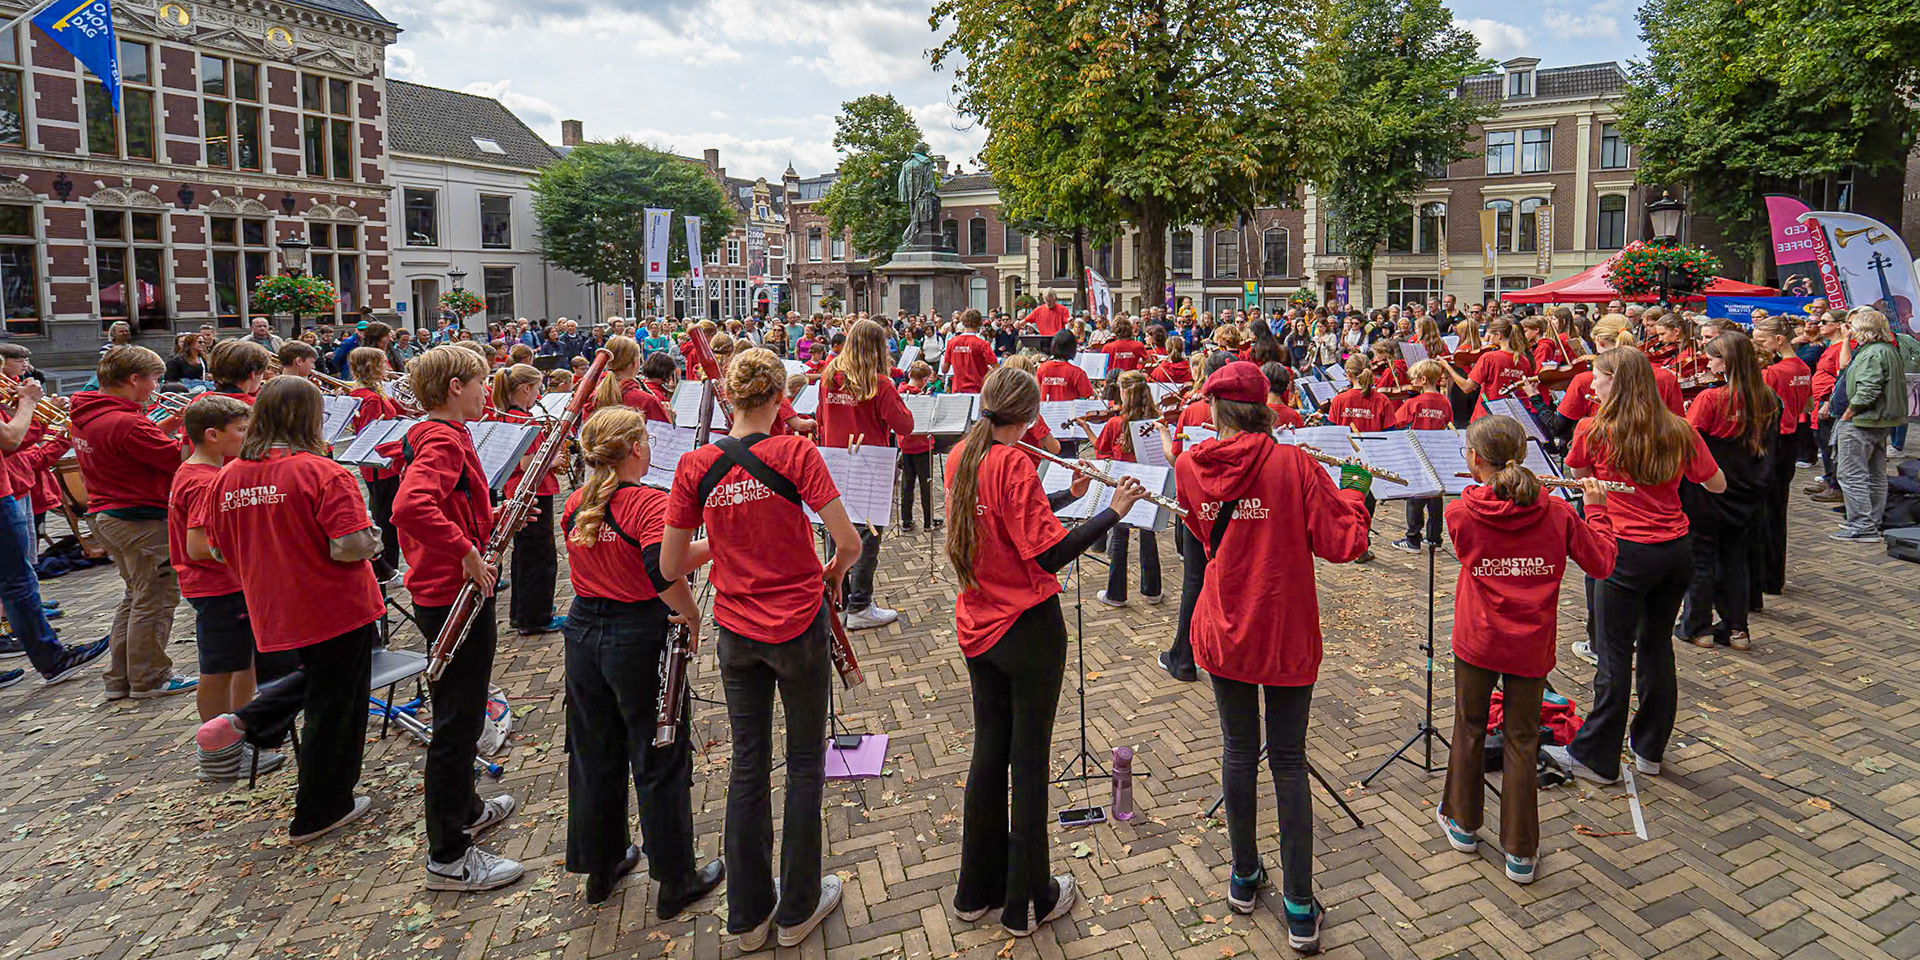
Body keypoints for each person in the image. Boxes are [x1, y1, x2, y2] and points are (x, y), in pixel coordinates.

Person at [660, 348, 860, 951]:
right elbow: (849, 542)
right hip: (798, 625)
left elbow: (670, 564)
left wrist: (726, 544)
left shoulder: (695, 464)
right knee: (804, 764)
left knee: (748, 765)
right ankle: (798, 909)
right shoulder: (796, 452)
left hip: (737, 631)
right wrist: (833, 570)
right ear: (778, 398)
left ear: (728, 396)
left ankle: (747, 918)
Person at [1173, 361, 1373, 953]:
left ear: (1216, 409)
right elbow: (1344, 542)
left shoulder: (1188, 465)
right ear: (1264, 408)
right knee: (1287, 759)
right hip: (1283, 627)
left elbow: (1200, 532)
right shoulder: (1295, 464)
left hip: (1226, 621)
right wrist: (1355, 493)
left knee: (1238, 750)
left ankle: (1243, 877)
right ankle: (1299, 906)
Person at [944, 365, 1140, 935]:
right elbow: (1048, 555)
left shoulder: (962, 456)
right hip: (1026, 629)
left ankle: (974, 891)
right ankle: (1028, 901)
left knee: (989, 756)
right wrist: (1112, 511)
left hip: (978, 624)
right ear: (1031, 416)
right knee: (1028, 764)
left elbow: (1010, 517)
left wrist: (1067, 494)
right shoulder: (1014, 462)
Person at [194, 376, 383, 844]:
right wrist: (375, 538)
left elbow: (217, 549)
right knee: (336, 711)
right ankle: (321, 810)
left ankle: (250, 718)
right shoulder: (322, 472)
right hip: (335, 604)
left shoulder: (227, 476)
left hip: (272, 605)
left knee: (322, 685)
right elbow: (351, 546)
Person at [559, 407, 725, 911]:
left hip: (583, 633)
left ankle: (602, 865)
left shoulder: (577, 501)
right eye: (647, 440)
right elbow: (662, 569)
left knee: (594, 752)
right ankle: (676, 880)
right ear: (635, 449)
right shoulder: (647, 503)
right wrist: (692, 611)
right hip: (635, 634)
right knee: (659, 754)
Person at [1436, 416, 1614, 885]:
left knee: (1469, 725)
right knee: (1521, 737)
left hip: (1478, 638)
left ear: (1475, 459)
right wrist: (1596, 509)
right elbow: (1602, 561)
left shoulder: (1460, 512)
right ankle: (1520, 850)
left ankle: (1463, 824)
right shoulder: (1557, 512)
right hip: (1531, 641)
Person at [1546, 348, 1725, 786]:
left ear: (1618, 382)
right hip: (1674, 550)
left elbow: (1581, 476)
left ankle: (1597, 757)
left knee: (1613, 655)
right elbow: (1716, 483)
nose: (1591, 384)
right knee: (1657, 647)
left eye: (1598, 376)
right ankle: (1649, 748)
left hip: (1623, 549)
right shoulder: (1679, 428)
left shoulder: (1593, 428)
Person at [389, 345, 524, 892]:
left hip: (451, 585)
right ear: (454, 387)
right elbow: (410, 507)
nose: (486, 391)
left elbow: (453, 503)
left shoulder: (445, 433)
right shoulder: (442, 438)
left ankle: (467, 808)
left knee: (464, 710)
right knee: (457, 720)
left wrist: (489, 518)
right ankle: (447, 856)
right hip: (452, 591)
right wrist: (467, 550)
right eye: (480, 382)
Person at [169, 395, 289, 780]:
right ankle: (218, 752)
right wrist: (256, 549)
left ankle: (240, 733)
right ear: (212, 434)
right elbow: (198, 545)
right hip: (217, 587)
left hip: (223, 585)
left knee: (242, 661)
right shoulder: (205, 481)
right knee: (219, 668)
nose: (247, 436)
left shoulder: (199, 471)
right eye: (240, 430)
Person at [70, 346, 197, 701]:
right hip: (138, 518)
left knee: (136, 597)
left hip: (107, 513)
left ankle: (120, 678)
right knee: (156, 599)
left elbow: (131, 445)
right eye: (154, 379)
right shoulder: (127, 422)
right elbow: (178, 459)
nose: (157, 387)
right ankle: (150, 677)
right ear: (134, 379)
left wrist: (169, 424)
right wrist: (194, 431)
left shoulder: (90, 412)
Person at [1676, 331, 1777, 652]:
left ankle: (1699, 627)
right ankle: (1737, 629)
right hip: (1749, 489)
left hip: (1710, 487)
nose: (1708, 364)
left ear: (1727, 362)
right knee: (1736, 559)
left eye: (1712, 358)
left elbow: (1687, 441)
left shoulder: (1711, 399)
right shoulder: (1767, 397)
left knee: (1701, 557)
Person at [816, 319, 915, 629]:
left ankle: (839, 601)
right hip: (869, 464)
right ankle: (860, 605)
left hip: (834, 461)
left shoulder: (828, 377)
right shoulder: (879, 383)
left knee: (836, 531)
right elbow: (905, 425)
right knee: (867, 534)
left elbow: (820, 418)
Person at [489, 363, 566, 635]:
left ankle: (522, 613)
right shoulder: (525, 421)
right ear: (525, 389)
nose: (539, 395)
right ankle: (537, 617)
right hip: (534, 491)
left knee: (524, 555)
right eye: (536, 389)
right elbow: (526, 463)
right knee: (540, 556)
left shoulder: (507, 416)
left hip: (517, 491)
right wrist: (553, 460)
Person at [1830, 308, 1908, 541]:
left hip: (1863, 421)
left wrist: (1849, 413)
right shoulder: (1887, 349)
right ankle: (1871, 521)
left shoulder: (1871, 353)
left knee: (1852, 474)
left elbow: (1868, 390)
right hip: (1878, 420)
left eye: (1852, 326)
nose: (1849, 330)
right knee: (1875, 474)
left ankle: (1862, 525)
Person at [1749, 316, 1809, 597]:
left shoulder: (1771, 373)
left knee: (1764, 512)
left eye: (1761, 341)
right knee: (1778, 510)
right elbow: (1807, 405)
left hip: (1772, 441)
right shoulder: (1803, 367)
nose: (1758, 346)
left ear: (1779, 340)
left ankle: (1764, 576)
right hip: (1791, 440)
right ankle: (1774, 576)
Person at [1091, 370, 1162, 606]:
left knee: (1119, 537)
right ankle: (1152, 590)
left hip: (1123, 485)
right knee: (1148, 535)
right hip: (1149, 483)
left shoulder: (1115, 423)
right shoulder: (1156, 422)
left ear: (1124, 392)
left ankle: (1116, 593)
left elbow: (1102, 452)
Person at [345, 347, 405, 584]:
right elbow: (372, 434)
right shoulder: (369, 397)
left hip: (380, 465)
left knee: (386, 515)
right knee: (387, 519)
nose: (387, 367)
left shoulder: (370, 393)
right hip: (381, 466)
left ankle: (388, 567)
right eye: (382, 363)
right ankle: (387, 569)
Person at [1390, 359, 1454, 551]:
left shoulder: (1414, 402)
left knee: (1415, 495)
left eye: (1414, 378)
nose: (1411, 381)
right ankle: (1434, 538)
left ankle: (1413, 538)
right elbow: (1448, 423)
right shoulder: (1445, 402)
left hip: (1417, 454)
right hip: (1437, 454)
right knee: (1435, 495)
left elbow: (1396, 423)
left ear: (1423, 379)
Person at [591, 336, 670, 423]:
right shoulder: (647, 401)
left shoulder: (592, 396)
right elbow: (663, 430)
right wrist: (669, 416)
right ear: (634, 363)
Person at [898, 360, 938, 532]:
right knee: (925, 484)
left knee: (907, 484)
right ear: (924, 380)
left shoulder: (899, 393)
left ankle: (906, 521)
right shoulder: (923, 398)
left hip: (905, 445)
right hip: (922, 445)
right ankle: (928, 522)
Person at [1325, 356, 1394, 432]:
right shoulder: (1383, 400)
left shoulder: (1339, 399)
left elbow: (1332, 431)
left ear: (1349, 373)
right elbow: (1390, 432)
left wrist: (1323, 419)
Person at [942, 309, 998, 393]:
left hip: (957, 390)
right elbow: (996, 368)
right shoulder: (983, 344)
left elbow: (944, 369)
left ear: (963, 323)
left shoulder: (952, 342)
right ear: (979, 324)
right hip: (978, 389)